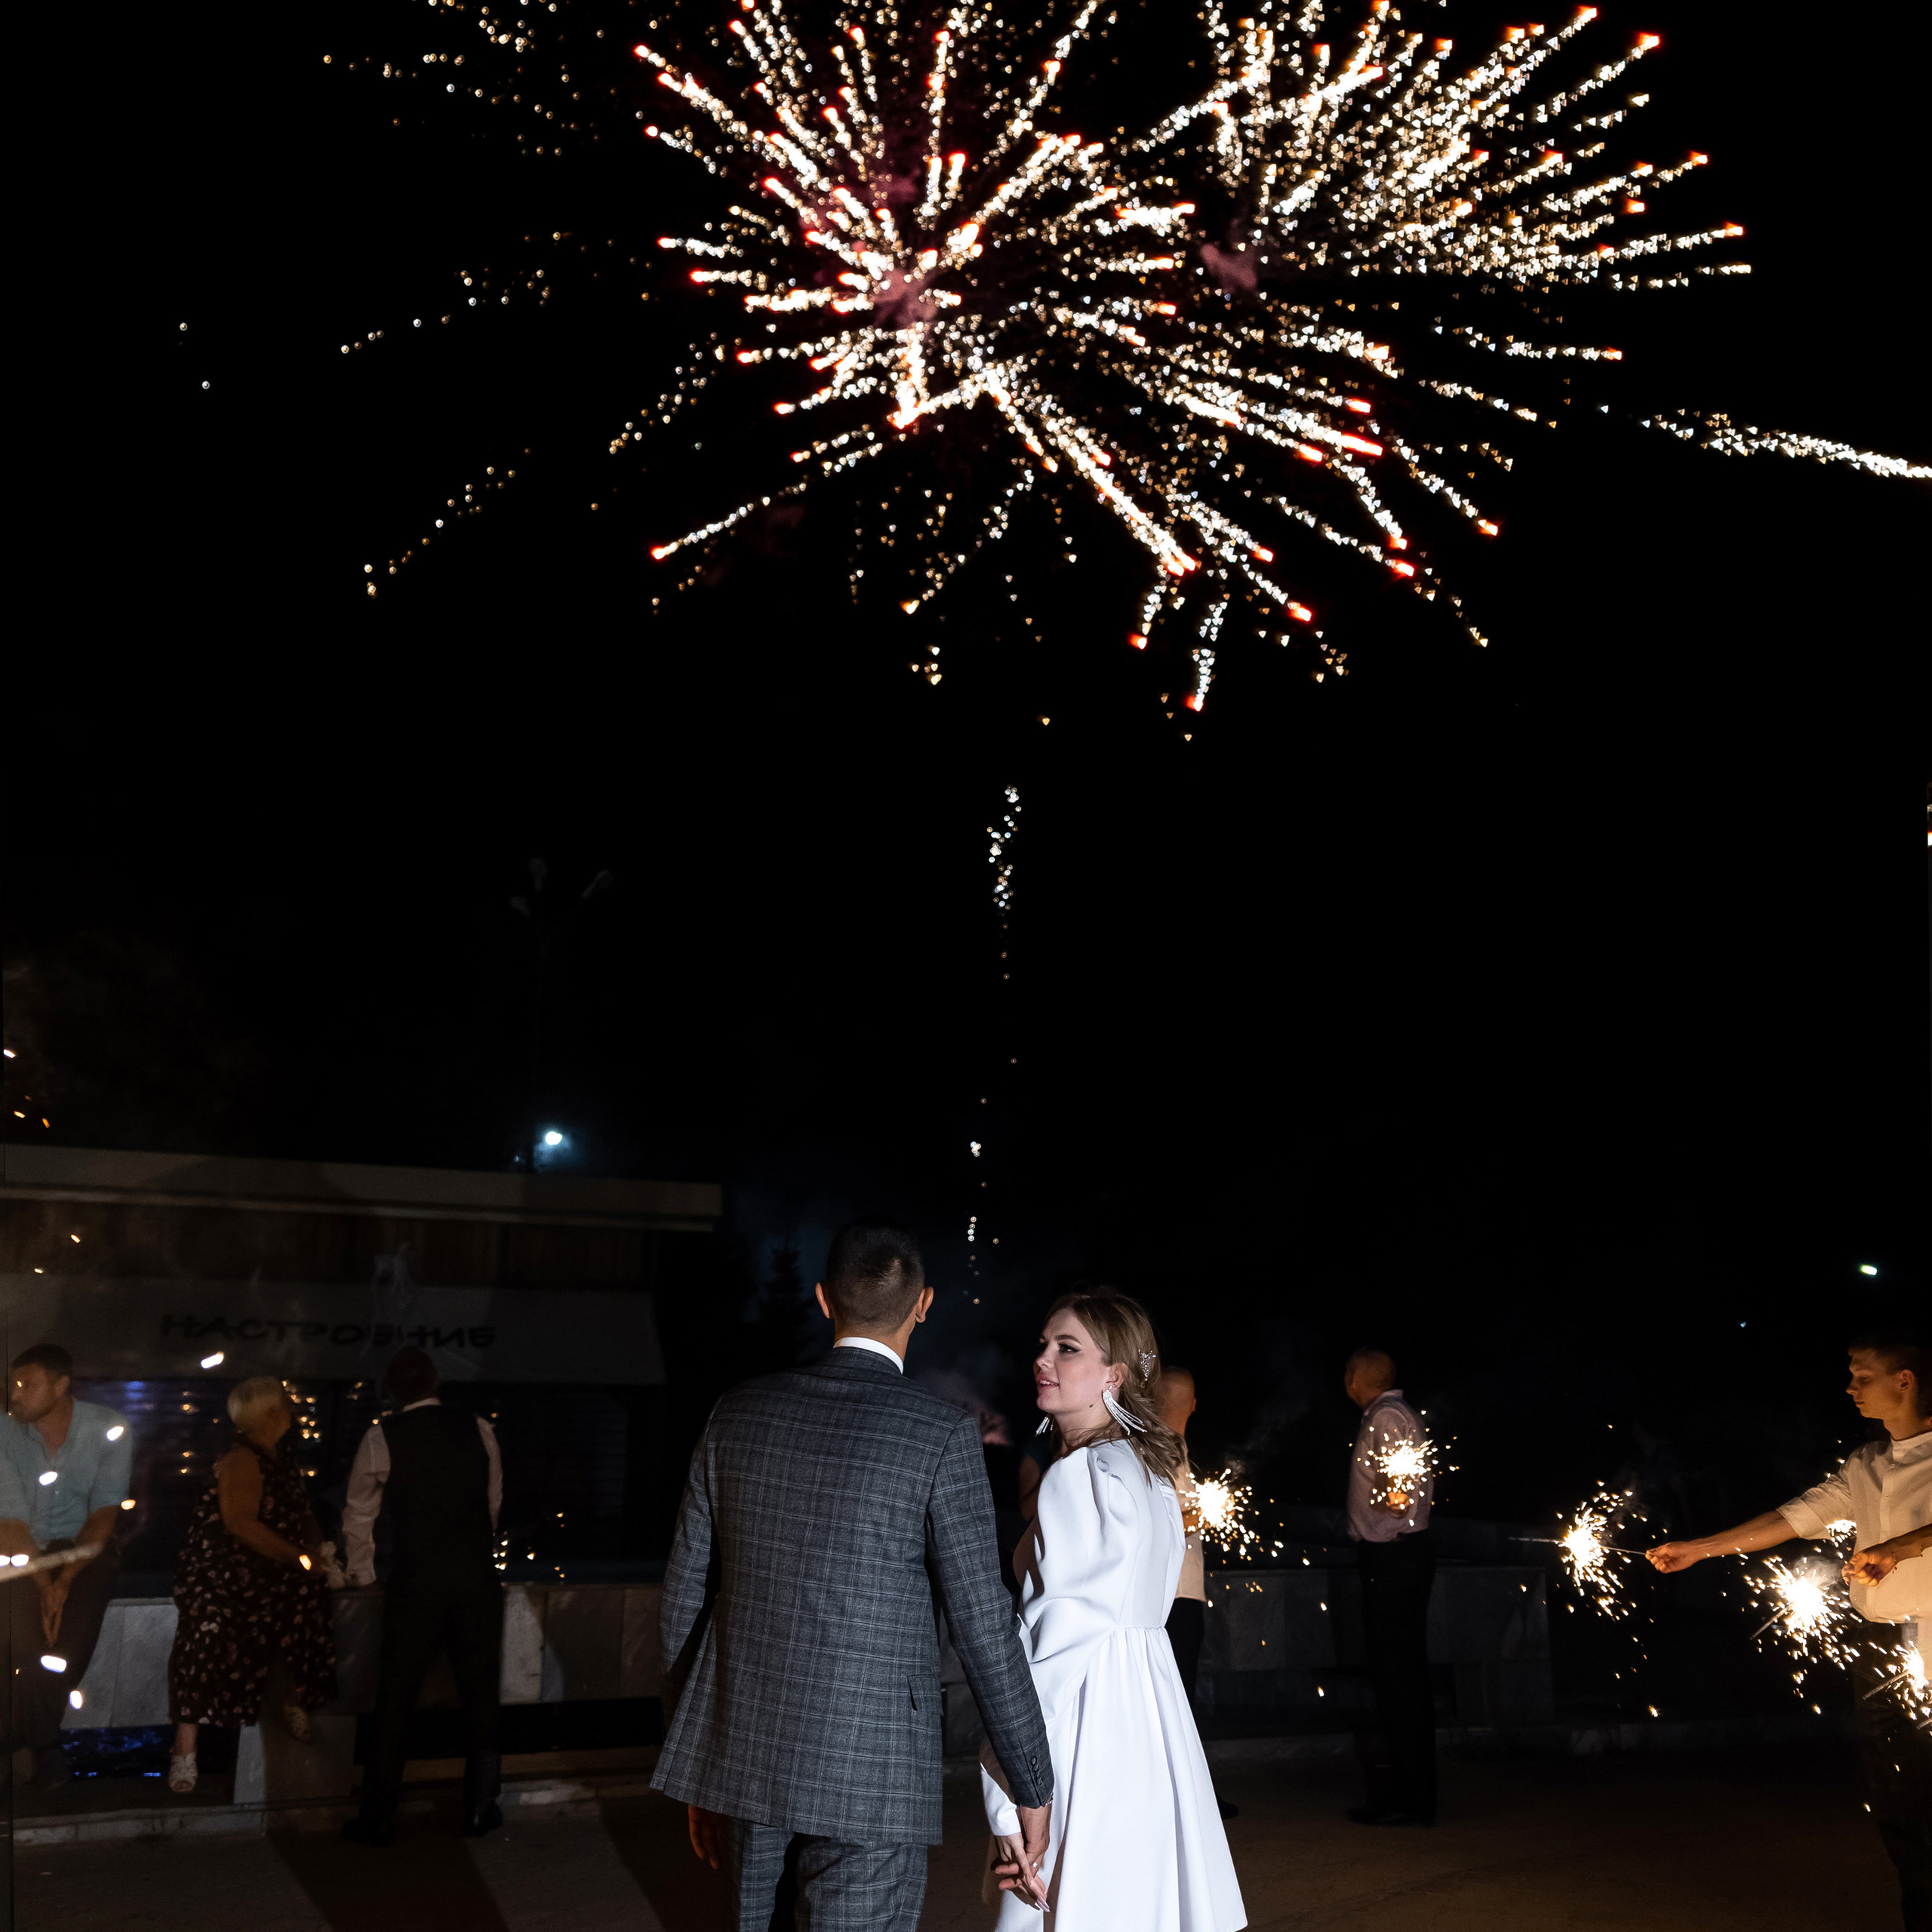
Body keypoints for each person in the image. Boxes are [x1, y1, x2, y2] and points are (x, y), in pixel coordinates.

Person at [654, 1217, 1052, 1932]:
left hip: (743, 1750)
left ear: (821, 1298)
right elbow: (982, 1623)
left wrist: (697, 1758)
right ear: (924, 1304)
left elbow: (685, 1590)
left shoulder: (736, 1414)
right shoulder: (937, 1435)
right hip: (873, 1770)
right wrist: (1032, 1782)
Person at [1648, 1327, 1930, 1932]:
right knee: (1898, 1801)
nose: (1850, 1386)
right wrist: (1702, 1548)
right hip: (1882, 1648)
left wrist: (1897, 1547)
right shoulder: (1866, 1462)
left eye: (1863, 1374)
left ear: (1904, 1380)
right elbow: (1796, 1516)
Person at [983, 1289, 1245, 1932]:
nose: (1044, 1359)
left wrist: (1010, 1793)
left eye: (1067, 1349)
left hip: (1087, 1726)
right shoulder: (1148, 1471)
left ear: (1115, 1375)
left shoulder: (1079, 1478)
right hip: (1150, 1728)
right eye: (1043, 1345)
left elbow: (1050, 1652)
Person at [340, 1346, 505, 1846]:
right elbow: (492, 1501)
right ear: (436, 1382)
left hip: (417, 1581)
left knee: (395, 1697)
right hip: (476, 1579)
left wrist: (362, 1574)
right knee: (480, 1696)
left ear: (392, 1389)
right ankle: (479, 1807)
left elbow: (358, 1514)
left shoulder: (381, 1436)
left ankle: (379, 1814)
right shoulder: (478, 1429)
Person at [165, 1376, 337, 1795]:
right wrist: (298, 1558)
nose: (294, 1412)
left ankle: (294, 1701)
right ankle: (184, 1749)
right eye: (287, 1405)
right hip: (226, 1573)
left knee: (310, 1605)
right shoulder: (243, 1459)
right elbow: (240, 1523)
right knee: (205, 1636)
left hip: (273, 1568)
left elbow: (302, 1513)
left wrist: (320, 1550)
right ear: (273, 1413)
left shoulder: (283, 1458)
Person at [2, 1343, 133, 1786]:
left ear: (61, 1386)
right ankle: (44, 1744)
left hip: (82, 1546)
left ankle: (21, 1742)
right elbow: (10, 1522)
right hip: (20, 1546)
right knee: (25, 1640)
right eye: (12, 1384)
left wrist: (66, 1579)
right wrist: (44, 1584)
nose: (14, 1394)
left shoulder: (108, 1427)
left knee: (69, 1643)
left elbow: (104, 1514)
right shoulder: (2, 1433)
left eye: (27, 1384)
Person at [1343, 1346, 1436, 1828]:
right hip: (1397, 1556)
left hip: (1394, 1556)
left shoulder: (1386, 1417)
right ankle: (1409, 1793)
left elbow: (1399, 1492)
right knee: (1400, 1674)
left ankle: (1410, 1798)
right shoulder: (1390, 1415)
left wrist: (1393, 1495)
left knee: (1398, 1677)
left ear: (1356, 1378)